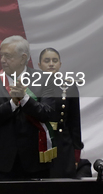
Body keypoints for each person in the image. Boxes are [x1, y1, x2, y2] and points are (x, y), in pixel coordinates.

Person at [0, 36, 58, 180]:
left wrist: (24, 99)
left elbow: (48, 113)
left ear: (23, 58)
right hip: (3, 162)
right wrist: (12, 103)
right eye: (2, 55)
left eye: (8, 56)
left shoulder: (44, 79)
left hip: (35, 161)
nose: (2, 60)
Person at [37, 47, 84, 178]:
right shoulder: (32, 86)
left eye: (54, 60)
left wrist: (76, 152)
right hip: (39, 143)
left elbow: (75, 121)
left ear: (60, 64)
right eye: (47, 60)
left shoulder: (69, 86)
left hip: (63, 144)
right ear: (39, 65)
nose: (51, 63)